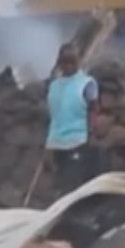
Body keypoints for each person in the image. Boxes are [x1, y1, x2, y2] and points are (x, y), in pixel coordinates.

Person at [44, 42, 99, 192]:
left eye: (72, 61)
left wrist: (91, 133)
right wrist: (48, 146)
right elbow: (54, 117)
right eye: (64, 62)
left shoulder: (87, 84)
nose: (68, 66)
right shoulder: (54, 86)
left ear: (78, 61)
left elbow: (93, 110)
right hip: (56, 143)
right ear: (59, 63)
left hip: (78, 141)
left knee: (73, 186)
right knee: (60, 185)